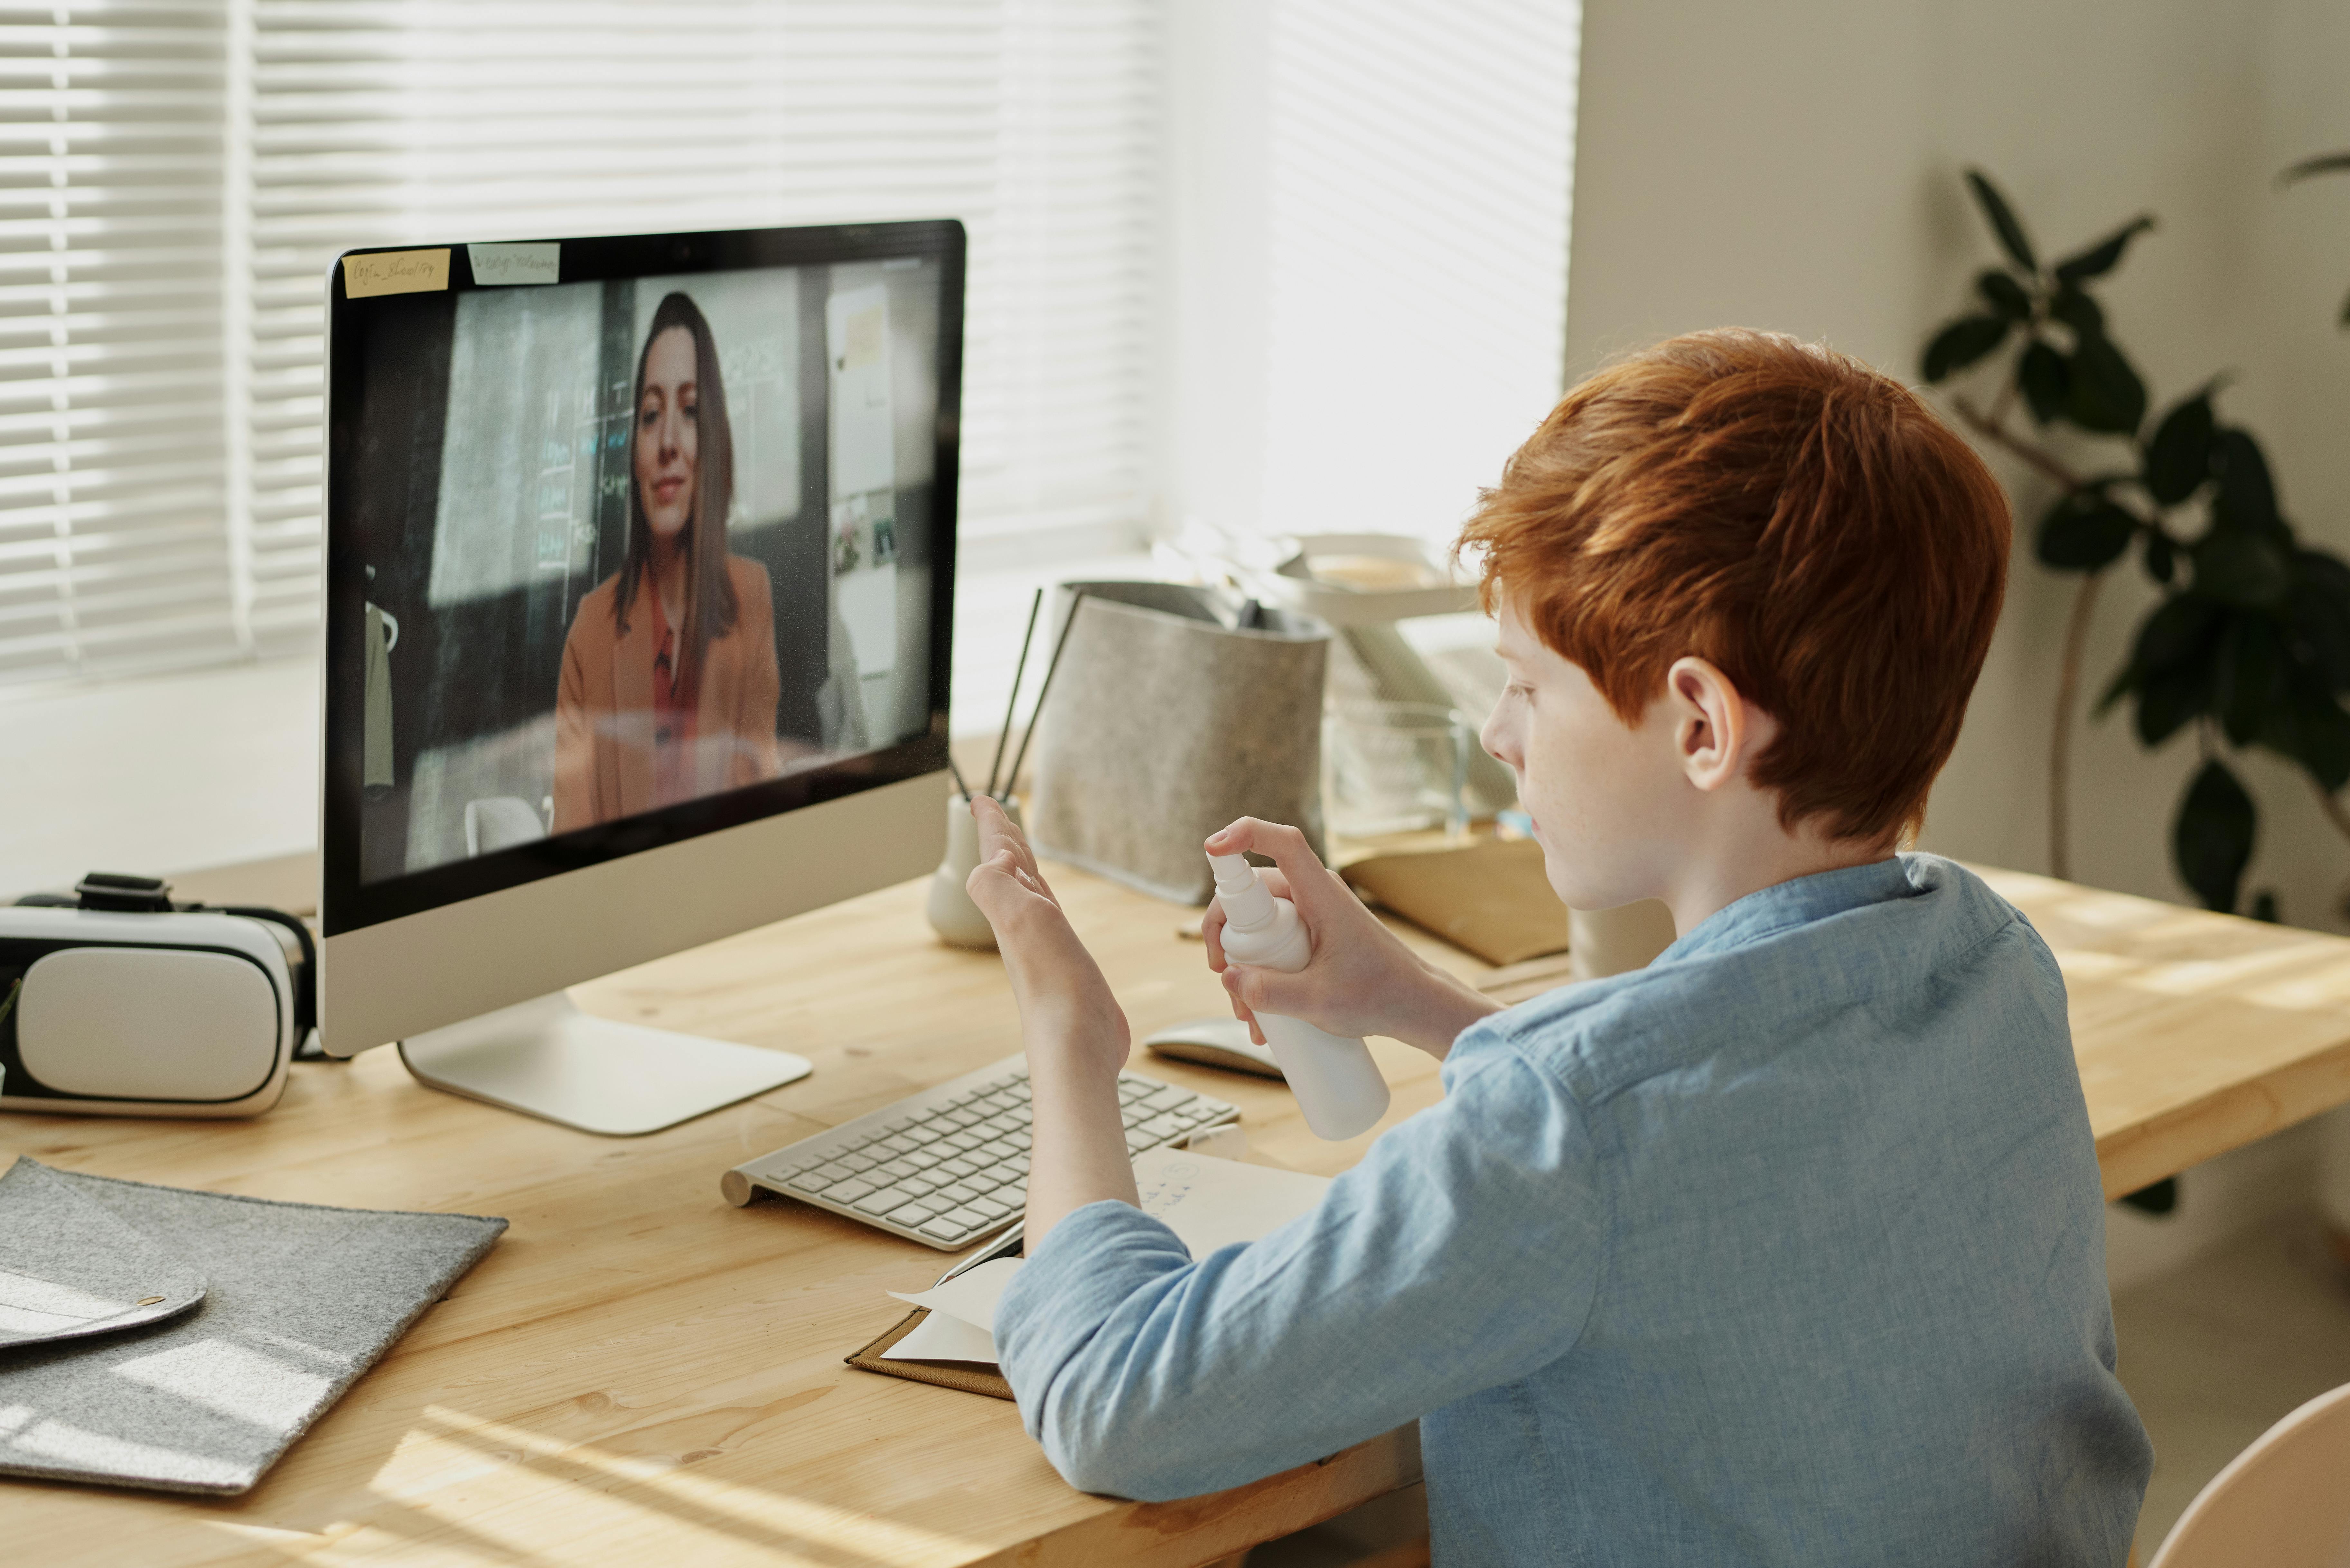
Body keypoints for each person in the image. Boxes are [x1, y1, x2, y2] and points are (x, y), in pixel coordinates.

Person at [962, 330, 2153, 1564]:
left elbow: (1117, 1400)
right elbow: (1703, 1161)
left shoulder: (1558, 1138)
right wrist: (1415, 999)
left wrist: (1069, 1041)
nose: (1496, 732)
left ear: (1701, 723)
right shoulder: (1993, 963)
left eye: (1529, 683)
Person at [554, 292, 779, 830]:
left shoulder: (752, 596)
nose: (669, 443)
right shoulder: (591, 629)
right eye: (651, 415)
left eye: (691, 411)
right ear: (633, 451)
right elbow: (570, 844)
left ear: (714, 440)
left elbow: (758, 811)